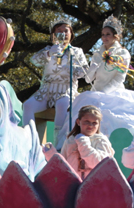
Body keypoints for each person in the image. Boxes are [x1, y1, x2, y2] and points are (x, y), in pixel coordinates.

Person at [22, 19, 89, 150]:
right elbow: (34, 60)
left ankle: (59, 144)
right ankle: (30, 143)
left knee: (62, 104)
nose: (63, 33)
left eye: (66, 31)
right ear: (54, 34)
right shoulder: (48, 49)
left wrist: (70, 68)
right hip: (46, 90)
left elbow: (85, 71)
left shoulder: (77, 51)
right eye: (59, 31)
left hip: (66, 89)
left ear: (71, 34)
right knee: (28, 105)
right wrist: (48, 53)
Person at [59, 105, 114, 179]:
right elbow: (62, 165)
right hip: (72, 185)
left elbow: (97, 164)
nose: (90, 125)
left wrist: (83, 143)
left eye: (94, 123)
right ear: (78, 122)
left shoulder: (101, 141)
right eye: (86, 121)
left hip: (94, 186)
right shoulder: (70, 141)